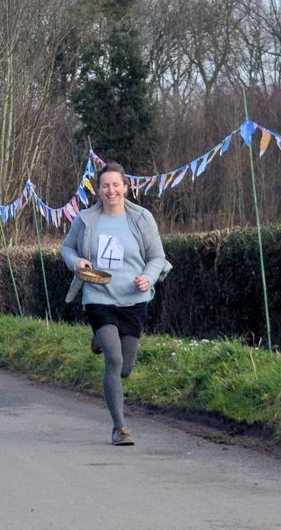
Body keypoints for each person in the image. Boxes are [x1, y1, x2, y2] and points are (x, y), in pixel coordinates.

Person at [61, 162, 169, 447]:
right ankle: (119, 428)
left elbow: (157, 257)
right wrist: (77, 263)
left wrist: (147, 277)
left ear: (126, 186)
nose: (111, 190)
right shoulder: (85, 219)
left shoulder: (142, 218)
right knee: (114, 359)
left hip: (133, 300)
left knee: (125, 369)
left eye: (116, 185)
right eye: (106, 185)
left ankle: (101, 340)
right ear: (99, 189)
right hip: (99, 298)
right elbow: (67, 248)